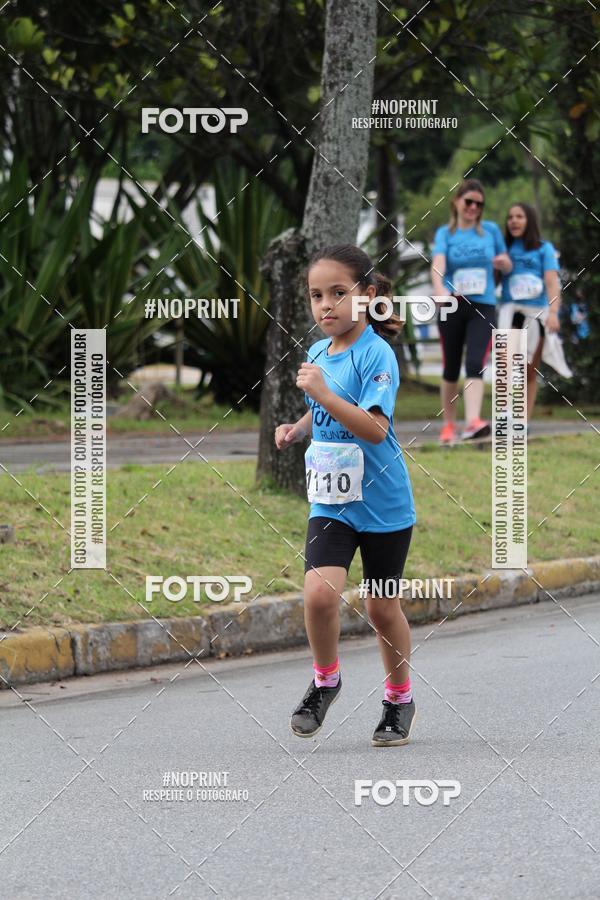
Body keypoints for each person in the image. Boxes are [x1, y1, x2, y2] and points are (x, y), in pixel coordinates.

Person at [274, 244, 417, 747]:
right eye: (317, 295)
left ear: (368, 295)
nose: (326, 305)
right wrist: (298, 427)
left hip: (383, 505)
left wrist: (323, 394)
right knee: (318, 594)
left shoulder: (377, 353)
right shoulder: (319, 353)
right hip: (332, 502)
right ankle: (325, 680)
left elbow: (375, 428)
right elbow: (324, 411)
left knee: (381, 608)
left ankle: (399, 698)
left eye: (338, 292)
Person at [430, 179, 513, 444]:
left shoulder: (490, 230)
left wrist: (503, 263)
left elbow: (507, 263)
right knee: (451, 366)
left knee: (476, 362)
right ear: (456, 202)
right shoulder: (445, 234)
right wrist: (439, 291)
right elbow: (438, 265)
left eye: (479, 204)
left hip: (483, 304)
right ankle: (448, 424)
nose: (474, 207)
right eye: (469, 202)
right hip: (452, 305)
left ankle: (473, 422)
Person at [498, 202, 571, 419]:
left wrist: (554, 312)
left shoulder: (544, 249)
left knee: (529, 369)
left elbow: (551, 282)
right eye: (510, 217)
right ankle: (505, 413)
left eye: (519, 216)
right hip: (511, 311)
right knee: (506, 361)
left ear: (529, 220)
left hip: (537, 313)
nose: (514, 221)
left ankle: (522, 421)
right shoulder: (503, 248)